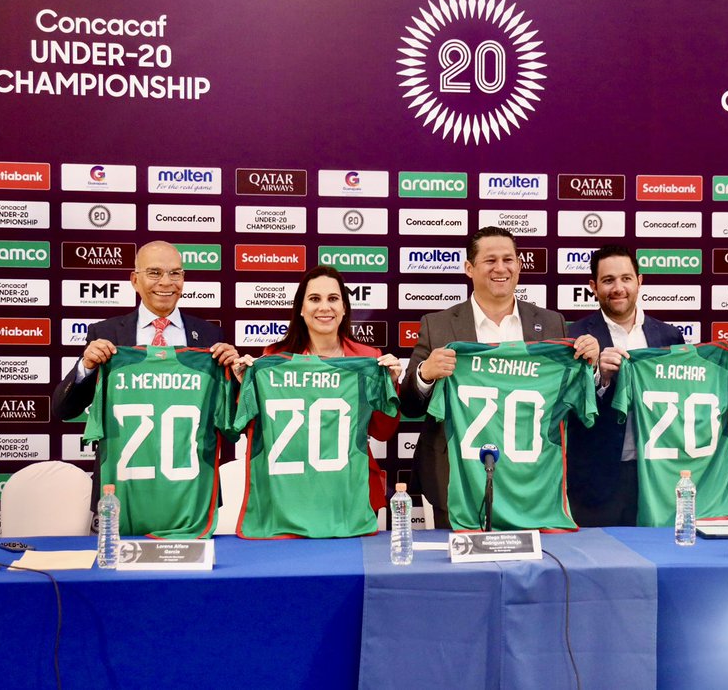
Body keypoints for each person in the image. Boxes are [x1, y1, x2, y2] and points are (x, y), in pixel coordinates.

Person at [399, 226, 600, 529]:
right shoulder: (437, 325)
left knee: (533, 572)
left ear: (519, 265)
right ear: (469, 268)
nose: (501, 268)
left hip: (531, 483)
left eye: (508, 259)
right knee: (458, 575)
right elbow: (410, 407)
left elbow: (573, 401)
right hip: (455, 479)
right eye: (490, 260)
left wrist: (591, 366)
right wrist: (425, 374)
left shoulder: (550, 324)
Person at [51, 240, 242, 508]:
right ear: (134, 280)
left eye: (175, 273)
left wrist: (236, 379)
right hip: (120, 490)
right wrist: (86, 367)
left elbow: (233, 417)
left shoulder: (209, 337)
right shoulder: (105, 333)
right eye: (154, 272)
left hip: (192, 489)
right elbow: (63, 409)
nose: (166, 282)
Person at [236, 265, 401, 513]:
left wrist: (390, 384)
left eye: (333, 299)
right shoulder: (276, 358)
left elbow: (383, 431)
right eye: (315, 299)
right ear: (301, 309)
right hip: (291, 489)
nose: (325, 307)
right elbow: (259, 428)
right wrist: (245, 387)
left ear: (344, 308)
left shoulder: (369, 358)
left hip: (351, 488)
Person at [566, 245, 685, 526]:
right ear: (593, 287)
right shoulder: (572, 336)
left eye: (626, 279)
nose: (618, 288)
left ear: (639, 281)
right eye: (608, 280)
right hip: (596, 481)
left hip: (656, 477)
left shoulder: (670, 336)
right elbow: (562, 408)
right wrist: (600, 379)